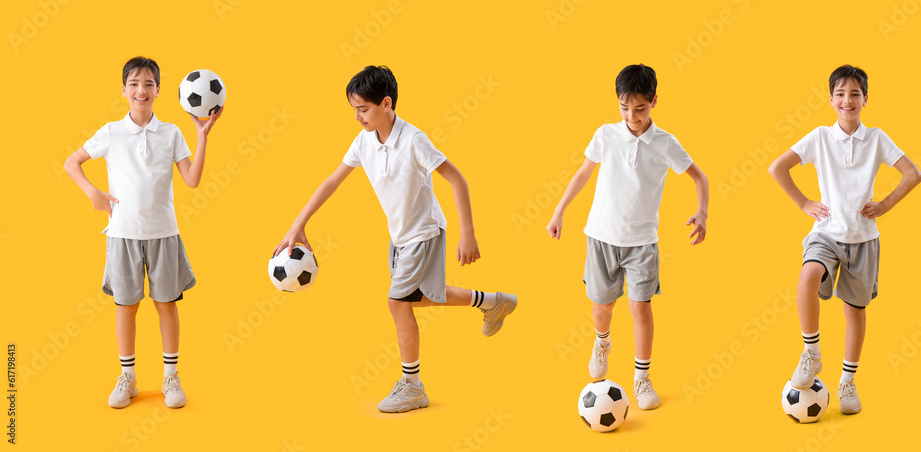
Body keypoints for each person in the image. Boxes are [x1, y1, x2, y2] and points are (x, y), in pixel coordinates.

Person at [274, 65, 517, 413]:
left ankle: (412, 385)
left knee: (397, 302)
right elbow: (331, 182)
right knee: (416, 299)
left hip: (424, 231)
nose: (357, 118)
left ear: (386, 104)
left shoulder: (414, 140)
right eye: (354, 110)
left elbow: (457, 179)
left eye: (363, 109)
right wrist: (298, 224)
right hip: (400, 235)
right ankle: (492, 302)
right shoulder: (364, 141)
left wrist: (468, 235)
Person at [546, 64, 709, 410]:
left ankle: (642, 376)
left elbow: (699, 177)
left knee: (640, 306)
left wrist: (702, 212)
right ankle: (602, 342)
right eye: (624, 108)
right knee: (603, 306)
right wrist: (559, 211)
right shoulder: (606, 135)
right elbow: (582, 174)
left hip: (642, 241)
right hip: (602, 236)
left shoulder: (665, 143)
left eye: (639, 108)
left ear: (653, 102)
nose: (632, 116)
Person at [64, 56, 222, 409]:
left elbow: (192, 180)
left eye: (149, 84)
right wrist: (94, 193)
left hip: (163, 232)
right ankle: (128, 378)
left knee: (166, 303)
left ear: (159, 91)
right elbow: (71, 162)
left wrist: (201, 136)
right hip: (122, 233)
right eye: (134, 84)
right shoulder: (111, 132)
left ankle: (170, 376)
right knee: (126, 305)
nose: (141, 90)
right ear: (124, 90)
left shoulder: (171, 133)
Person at [768, 64, 921, 414]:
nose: (847, 100)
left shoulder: (877, 138)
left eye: (854, 93)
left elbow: (913, 173)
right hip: (827, 233)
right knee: (807, 277)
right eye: (840, 93)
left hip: (863, 239)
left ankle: (847, 382)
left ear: (865, 99)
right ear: (831, 99)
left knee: (855, 311)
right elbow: (777, 167)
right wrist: (804, 202)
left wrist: (884, 204)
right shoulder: (820, 137)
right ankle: (811, 353)